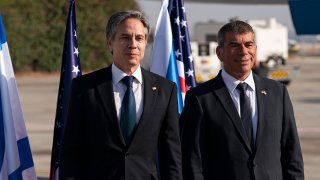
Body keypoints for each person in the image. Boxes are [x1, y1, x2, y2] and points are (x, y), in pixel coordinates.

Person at [60, 11, 182, 180]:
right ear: (110, 43)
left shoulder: (165, 89)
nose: (133, 44)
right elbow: (72, 150)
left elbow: (171, 153)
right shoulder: (85, 87)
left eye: (139, 38)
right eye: (125, 37)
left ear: (146, 43)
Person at [180, 20, 304, 180]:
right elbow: (192, 161)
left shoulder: (277, 92)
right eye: (234, 45)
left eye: (248, 44)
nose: (243, 51)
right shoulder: (200, 98)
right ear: (219, 53)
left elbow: (291, 152)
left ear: (256, 50)